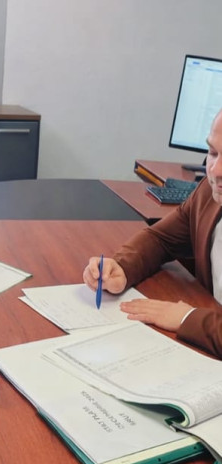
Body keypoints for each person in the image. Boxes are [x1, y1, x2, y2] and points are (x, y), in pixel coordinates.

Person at [83, 108, 222, 359]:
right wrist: (122, 267)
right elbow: (162, 238)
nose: (215, 170)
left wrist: (188, 318)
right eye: (213, 153)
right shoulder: (208, 194)